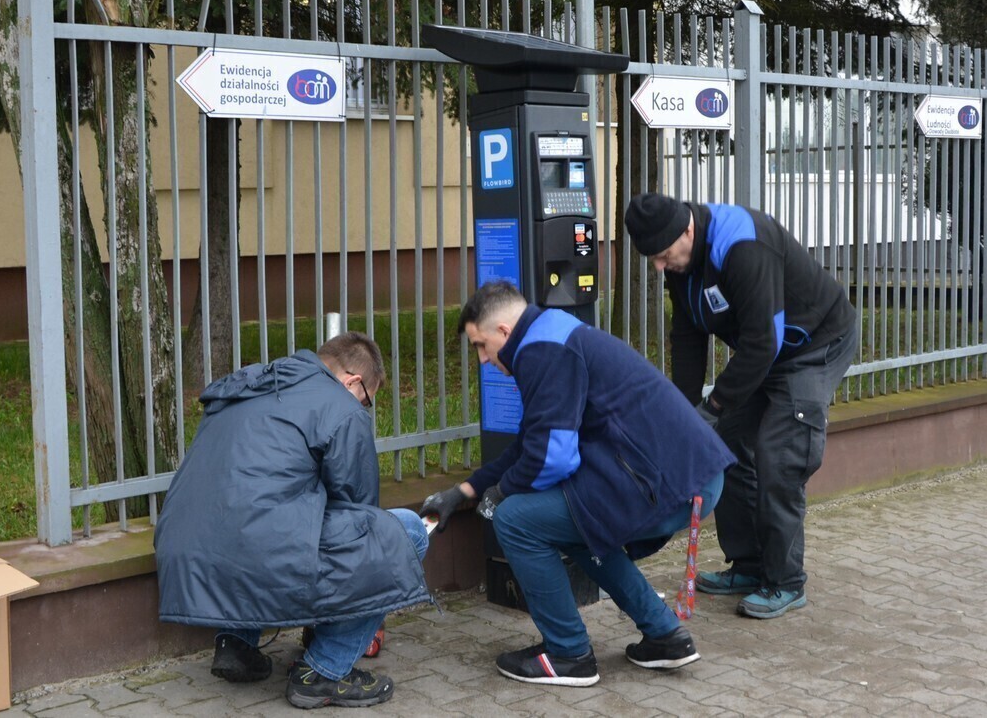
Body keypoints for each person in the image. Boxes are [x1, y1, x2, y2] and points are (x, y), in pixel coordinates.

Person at [420, 281, 735, 688]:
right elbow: (533, 441)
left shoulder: (541, 350)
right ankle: (665, 636)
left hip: (671, 482)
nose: (483, 359)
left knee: (517, 520)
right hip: (688, 474)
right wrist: (467, 490)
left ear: (502, 331)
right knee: (566, 524)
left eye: (481, 346)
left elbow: (553, 457)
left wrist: (502, 494)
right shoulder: (549, 332)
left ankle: (569, 655)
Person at [154, 332, 430, 710]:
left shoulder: (250, 383)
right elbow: (359, 510)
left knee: (261, 521)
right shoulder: (340, 406)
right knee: (406, 532)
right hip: (256, 547)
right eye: (367, 400)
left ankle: (236, 643)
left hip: (185, 544)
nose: (364, 409)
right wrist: (358, 607)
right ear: (352, 382)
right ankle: (322, 673)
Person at [623, 192, 859, 620]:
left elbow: (762, 343)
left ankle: (785, 581)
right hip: (768, 351)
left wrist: (712, 406)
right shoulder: (682, 259)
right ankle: (749, 566)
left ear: (687, 230)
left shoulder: (742, 245)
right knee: (725, 443)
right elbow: (688, 336)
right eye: (651, 259)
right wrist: (686, 413)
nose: (659, 267)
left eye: (661, 255)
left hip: (816, 344)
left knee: (779, 452)